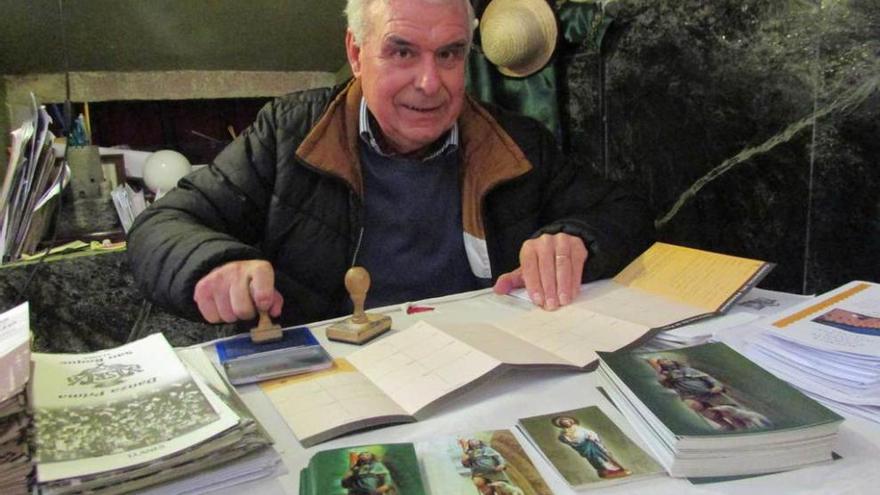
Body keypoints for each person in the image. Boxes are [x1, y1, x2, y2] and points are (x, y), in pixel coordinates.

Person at [127, 0, 654, 327]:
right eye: (402, 53)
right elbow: (163, 224)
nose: (430, 83)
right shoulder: (289, 133)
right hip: (334, 381)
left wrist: (575, 238)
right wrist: (212, 264)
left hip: (484, 378)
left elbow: (625, 211)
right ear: (356, 54)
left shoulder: (515, 142)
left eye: (449, 54)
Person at [552, 415, 629, 479]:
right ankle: (604, 471)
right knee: (593, 459)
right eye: (563, 422)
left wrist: (591, 436)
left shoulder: (579, 428)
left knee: (603, 456)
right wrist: (567, 439)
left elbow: (590, 433)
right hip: (582, 447)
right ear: (561, 424)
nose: (566, 423)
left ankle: (617, 469)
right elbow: (564, 440)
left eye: (567, 421)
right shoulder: (563, 433)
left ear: (571, 421)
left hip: (591, 444)